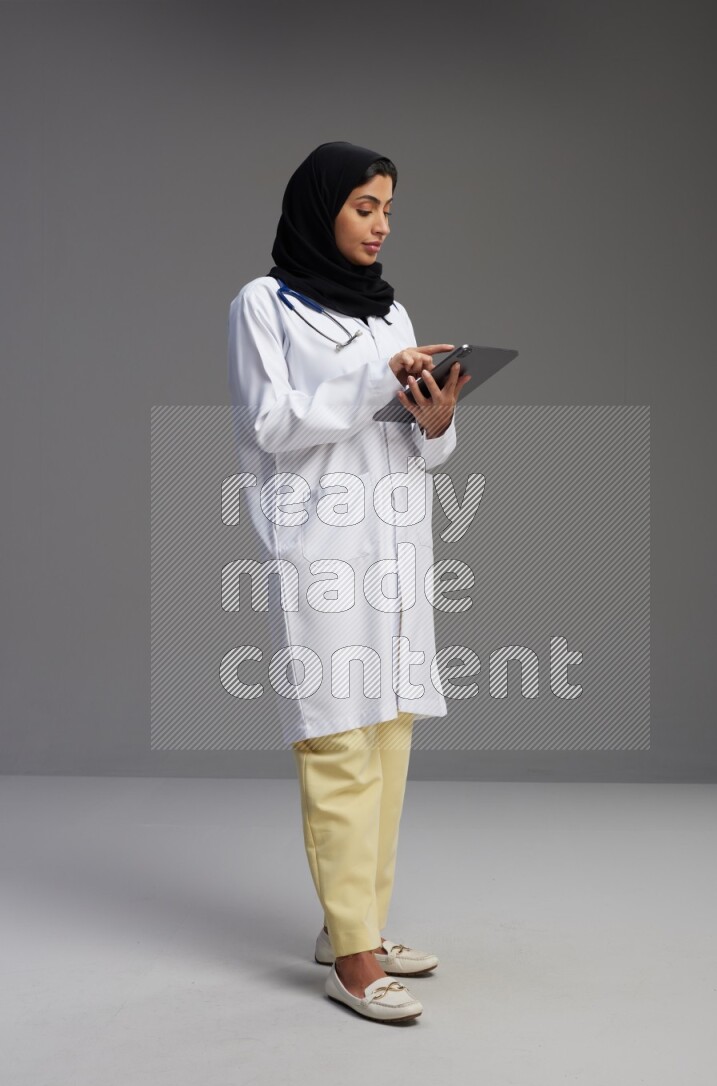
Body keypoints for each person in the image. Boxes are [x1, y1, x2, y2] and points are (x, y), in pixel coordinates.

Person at [227, 141, 469, 1023]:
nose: (380, 224)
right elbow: (270, 420)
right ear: (321, 206)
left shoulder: (392, 311)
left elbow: (415, 444)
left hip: (396, 546)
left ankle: (352, 924)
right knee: (336, 743)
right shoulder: (265, 303)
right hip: (323, 550)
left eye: (389, 210)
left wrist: (433, 417)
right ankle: (355, 962)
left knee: (389, 740)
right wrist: (379, 378)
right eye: (365, 206)